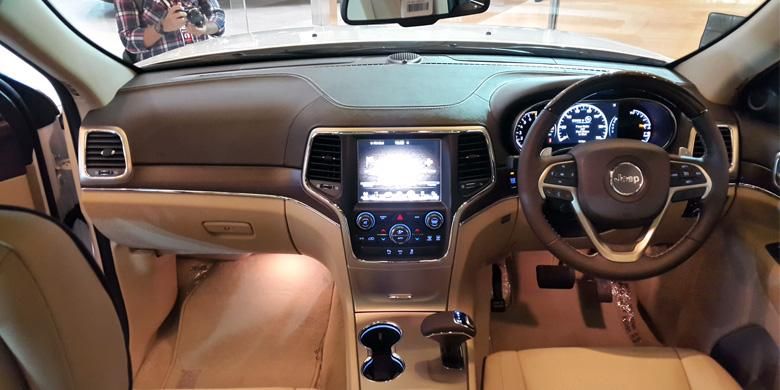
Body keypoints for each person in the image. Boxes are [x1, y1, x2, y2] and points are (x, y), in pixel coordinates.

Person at [115, 0, 225, 62]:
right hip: (161, 75)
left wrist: (206, 28)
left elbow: (217, 15)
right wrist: (163, 27)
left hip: (203, 66)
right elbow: (129, 40)